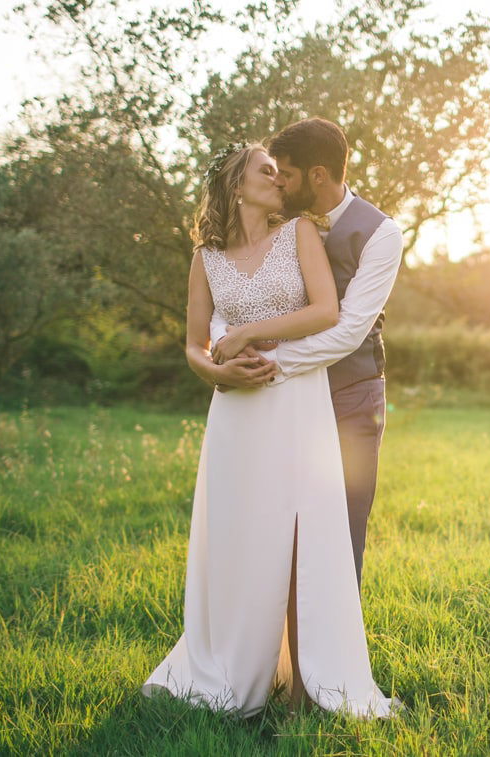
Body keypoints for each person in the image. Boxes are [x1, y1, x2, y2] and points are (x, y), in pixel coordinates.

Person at [143, 141, 393, 718]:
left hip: (295, 404)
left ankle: (310, 675)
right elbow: (194, 343)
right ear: (237, 184)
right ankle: (233, 670)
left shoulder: (300, 232)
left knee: (296, 531)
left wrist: (248, 335)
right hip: (235, 408)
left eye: (281, 172)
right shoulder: (205, 256)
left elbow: (327, 311)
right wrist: (219, 371)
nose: (279, 179)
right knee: (238, 535)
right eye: (267, 171)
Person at [210, 118, 404, 590]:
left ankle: (334, 658)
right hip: (286, 399)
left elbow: (349, 332)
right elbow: (232, 288)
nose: (278, 182)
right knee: (280, 524)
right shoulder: (277, 224)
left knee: (343, 524)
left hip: (351, 396)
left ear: (318, 175)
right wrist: (228, 347)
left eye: (287, 174)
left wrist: (271, 364)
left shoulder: (380, 234)